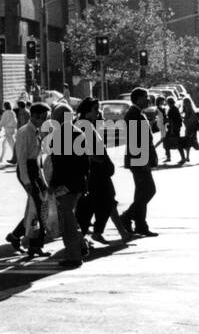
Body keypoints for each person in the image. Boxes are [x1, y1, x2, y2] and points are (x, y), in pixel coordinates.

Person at [75, 97, 131, 245]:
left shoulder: (89, 125)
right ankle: (85, 235)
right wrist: (94, 159)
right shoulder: (82, 126)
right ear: (87, 111)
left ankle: (102, 232)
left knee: (108, 201)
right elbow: (79, 149)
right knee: (92, 205)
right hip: (93, 173)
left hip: (101, 172)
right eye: (95, 109)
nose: (98, 111)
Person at [47, 102, 89, 267]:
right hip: (78, 183)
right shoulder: (79, 133)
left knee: (67, 222)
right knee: (71, 217)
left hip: (65, 184)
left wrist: (52, 184)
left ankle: (73, 255)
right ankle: (80, 245)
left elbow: (58, 165)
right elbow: (86, 163)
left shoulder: (59, 135)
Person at [7, 103, 50, 255]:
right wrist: (27, 182)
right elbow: (22, 159)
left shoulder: (37, 131)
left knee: (38, 207)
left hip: (35, 170)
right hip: (27, 171)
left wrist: (43, 180)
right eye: (44, 118)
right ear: (35, 116)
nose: (45, 121)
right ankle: (35, 245)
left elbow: (38, 157)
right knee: (39, 207)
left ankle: (15, 235)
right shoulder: (24, 132)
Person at [119, 88, 159, 238]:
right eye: (145, 97)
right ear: (138, 99)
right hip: (138, 159)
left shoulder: (137, 114)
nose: (148, 99)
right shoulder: (134, 115)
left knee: (141, 192)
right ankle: (126, 217)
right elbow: (137, 140)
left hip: (139, 159)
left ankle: (141, 225)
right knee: (149, 190)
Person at [181, 95, 199, 160]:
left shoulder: (190, 111)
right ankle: (187, 157)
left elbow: (190, 120)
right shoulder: (188, 110)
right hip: (189, 129)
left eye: (185, 102)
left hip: (191, 130)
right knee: (188, 144)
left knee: (193, 144)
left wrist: (183, 118)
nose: (184, 104)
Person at [162, 98, 186, 164]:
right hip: (175, 128)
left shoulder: (172, 110)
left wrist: (172, 130)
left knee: (172, 142)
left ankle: (179, 158)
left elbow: (172, 121)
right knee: (172, 142)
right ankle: (170, 157)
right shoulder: (174, 109)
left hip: (173, 129)